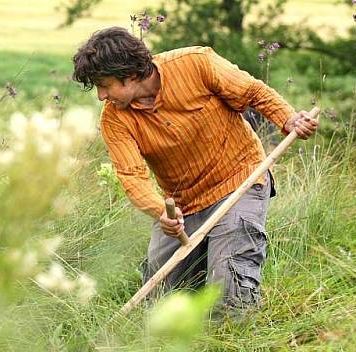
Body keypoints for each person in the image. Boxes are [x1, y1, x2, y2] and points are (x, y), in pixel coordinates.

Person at [71, 27, 318, 311]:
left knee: (230, 291)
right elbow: (132, 176)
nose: (101, 95)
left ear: (129, 73)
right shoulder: (114, 119)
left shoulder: (196, 63)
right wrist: (161, 211)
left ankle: (231, 340)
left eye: (105, 85)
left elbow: (253, 92)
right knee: (158, 299)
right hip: (183, 205)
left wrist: (288, 119)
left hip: (238, 183)